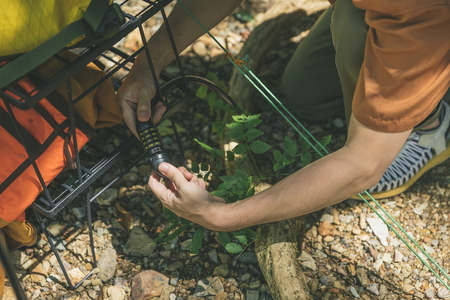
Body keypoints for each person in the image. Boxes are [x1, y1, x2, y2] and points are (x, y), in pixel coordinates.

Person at [117, 0, 450, 232]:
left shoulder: (415, 10)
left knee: (353, 29)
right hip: (392, 16)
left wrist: (223, 215)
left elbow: (361, 166)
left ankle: (428, 124)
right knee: (307, 93)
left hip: (422, 21)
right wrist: (148, 64)